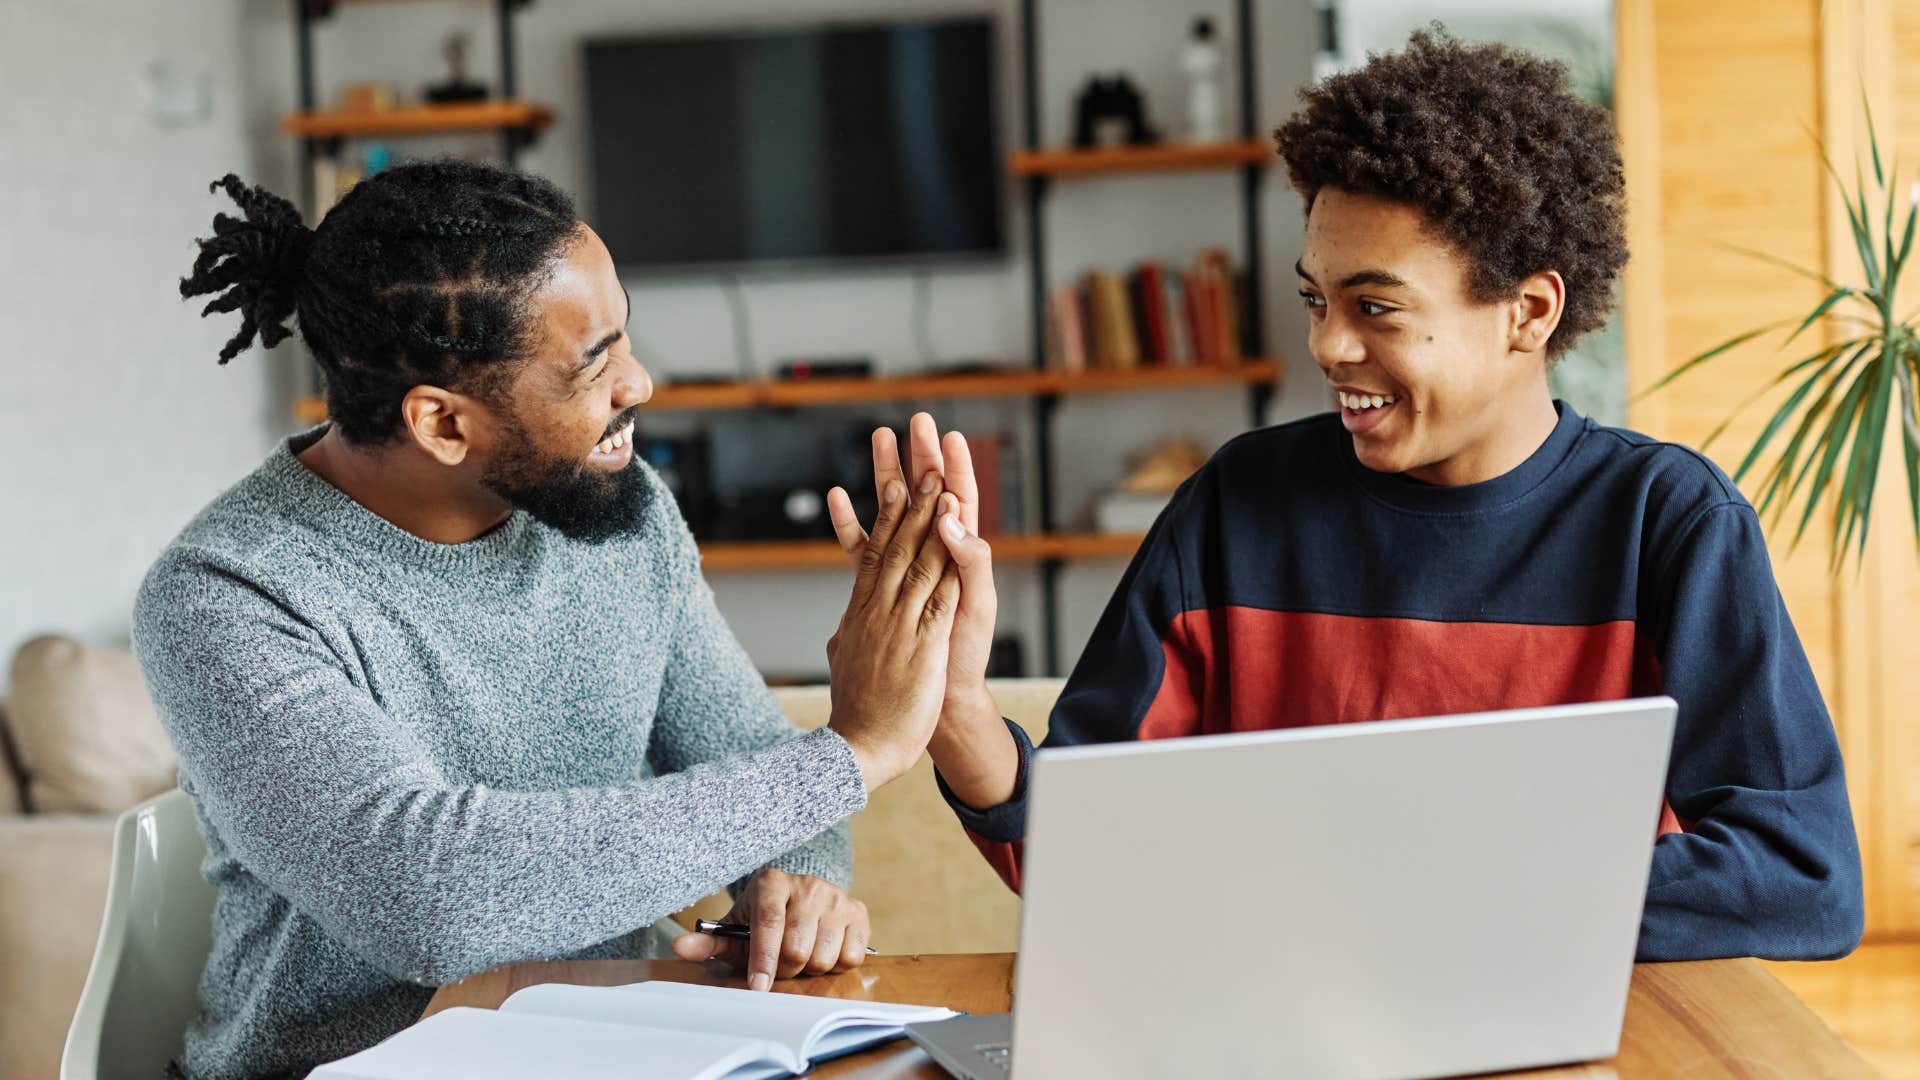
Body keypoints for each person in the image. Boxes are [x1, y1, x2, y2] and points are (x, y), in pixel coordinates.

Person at [829, 31, 1864, 962]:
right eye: (1317, 300)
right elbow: (1092, 857)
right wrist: (955, 709)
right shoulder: (1238, 508)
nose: (1327, 346)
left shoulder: (1666, 524)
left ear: (1529, 312)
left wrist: (1439, 903)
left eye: (1376, 306)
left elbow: (1799, 877)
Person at [141, 161, 962, 1080]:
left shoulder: (622, 508)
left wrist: (799, 884)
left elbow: (753, 766)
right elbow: (431, 898)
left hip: (613, 1052)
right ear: (442, 424)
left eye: (626, 337)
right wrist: (855, 755)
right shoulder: (227, 592)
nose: (640, 382)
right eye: (594, 362)